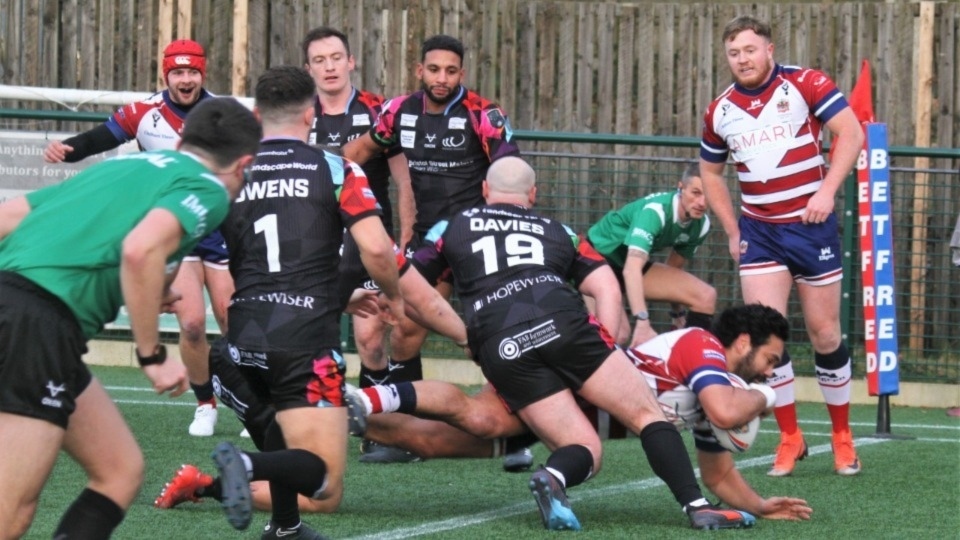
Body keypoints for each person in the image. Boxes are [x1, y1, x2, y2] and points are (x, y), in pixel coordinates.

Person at [346, 155, 756, 531]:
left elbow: (414, 289)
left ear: (486, 192)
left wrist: (461, 334)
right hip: (564, 323)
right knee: (647, 416)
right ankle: (696, 505)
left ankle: (371, 400)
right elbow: (606, 288)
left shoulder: (452, 225)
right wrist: (604, 346)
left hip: (499, 342)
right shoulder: (558, 230)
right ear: (534, 195)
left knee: (573, 441)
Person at [0, 97, 260, 539]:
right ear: (244, 165)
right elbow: (141, 250)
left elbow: (7, 216)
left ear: (180, 141)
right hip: (37, 325)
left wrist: (153, 288)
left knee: (119, 470)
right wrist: (152, 354)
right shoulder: (211, 189)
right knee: (10, 514)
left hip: (24, 312)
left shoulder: (122, 168)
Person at [350, 305, 813, 523]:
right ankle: (362, 398)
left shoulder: (724, 384)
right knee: (478, 417)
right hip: (563, 394)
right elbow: (725, 410)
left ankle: (330, 409)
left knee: (430, 441)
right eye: (771, 361)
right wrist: (768, 398)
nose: (769, 373)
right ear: (744, 343)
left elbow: (719, 473)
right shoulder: (702, 344)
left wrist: (759, 505)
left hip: (565, 418)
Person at [205, 65, 409, 538]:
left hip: (244, 337)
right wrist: (394, 297)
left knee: (279, 424)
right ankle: (245, 463)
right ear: (312, 114)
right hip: (305, 340)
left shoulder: (232, 172)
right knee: (322, 480)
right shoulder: (335, 167)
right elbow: (377, 249)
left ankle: (284, 526)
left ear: (256, 116)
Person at [153, 257, 471, 514]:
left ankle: (238, 484)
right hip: (274, 358)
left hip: (251, 352)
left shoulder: (272, 210)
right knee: (319, 491)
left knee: (336, 453)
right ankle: (217, 480)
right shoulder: (321, 205)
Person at [343, 33, 524, 467]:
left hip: (481, 241)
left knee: (502, 334)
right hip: (431, 245)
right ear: (419, 70)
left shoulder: (485, 115)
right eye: (434, 69)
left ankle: (518, 436)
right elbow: (361, 150)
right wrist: (323, 175)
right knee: (404, 328)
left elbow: (510, 172)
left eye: (451, 70)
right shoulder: (397, 112)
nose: (442, 78)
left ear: (462, 73)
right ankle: (407, 436)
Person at [698, 15, 865, 477]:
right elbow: (710, 173)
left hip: (811, 229)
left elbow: (851, 133)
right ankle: (790, 438)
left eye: (750, 50)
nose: (742, 60)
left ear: (769, 49)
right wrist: (733, 230)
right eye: (734, 53)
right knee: (766, 338)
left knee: (825, 333)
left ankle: (842, 436)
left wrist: (827, 191)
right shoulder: (720, 110)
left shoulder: (805, 83)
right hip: (761, 233)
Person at [43, 39, 232, 438]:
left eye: (192, 72)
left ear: (203, 73)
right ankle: (205, 405)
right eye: (178, 72)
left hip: (219, 226)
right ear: (166, 75)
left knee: (237, 321)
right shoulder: (145, 112)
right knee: (194, 324)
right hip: (176, 230)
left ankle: (255, 403)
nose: (185, 79)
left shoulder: (222, 113)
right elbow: (101, 137)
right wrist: (68, 149)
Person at [302, 26, 419, 463]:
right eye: (320, 60)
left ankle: (381, 432)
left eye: (336, 58)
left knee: (371, 338)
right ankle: (313, 423)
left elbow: (405, 180)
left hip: (369, 237)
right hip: (314, 242)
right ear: (308, 68)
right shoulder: (300, 115)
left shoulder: (377, 112)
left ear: (351, 62)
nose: (329, 67)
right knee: (314, 329)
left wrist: (405, 237)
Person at [586, 163, 716, 346]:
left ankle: (693, 364)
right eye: (696, 193)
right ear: (681, 188)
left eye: (708, 194)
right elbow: (632, 270)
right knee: (619, 333)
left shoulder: (701, 225)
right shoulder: (656, 212)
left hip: (629, 264)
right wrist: (642, 322)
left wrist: (678, 314)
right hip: (598, 257)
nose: (702, 202)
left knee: (705, 296)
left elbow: (673, 270)